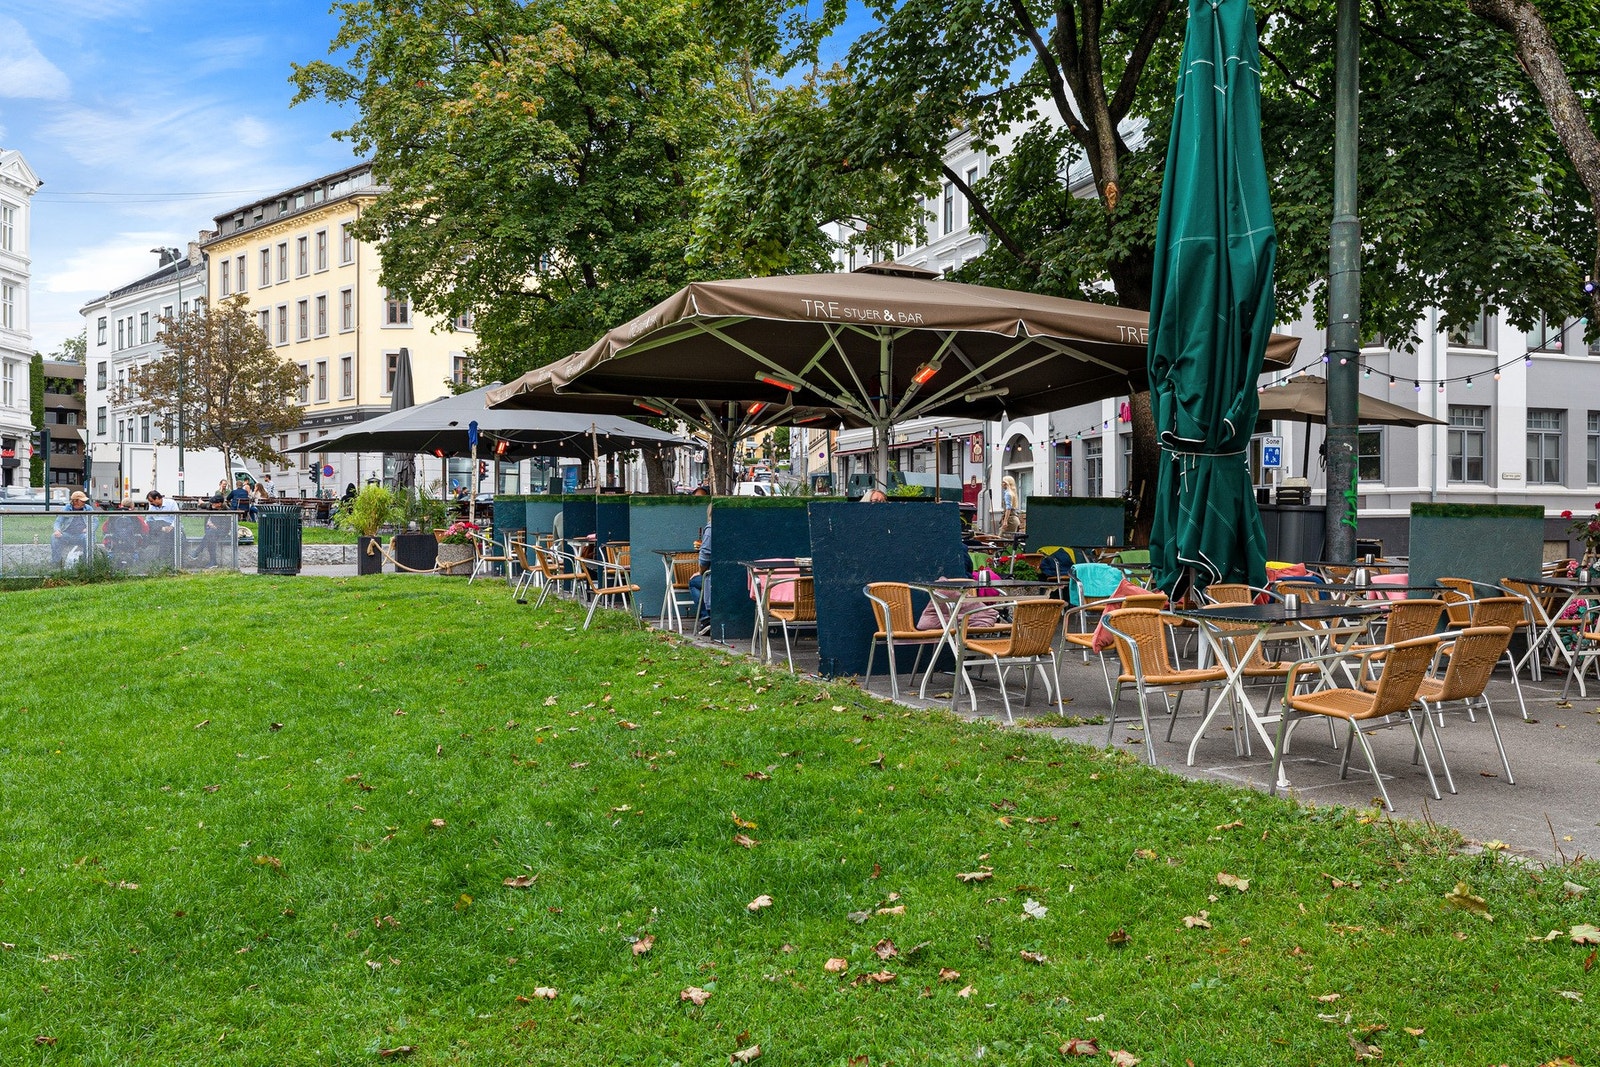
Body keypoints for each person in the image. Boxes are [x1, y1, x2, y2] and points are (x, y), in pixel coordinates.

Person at [687, 503, 713, 634]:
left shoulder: (711, 529)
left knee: (693, 582)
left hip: (714, 576)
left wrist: (701, 571)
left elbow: (705, 556)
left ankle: (706, 618)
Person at [52, 490, 95, 566]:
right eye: (82, 501)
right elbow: (58, 522)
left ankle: (87, 563)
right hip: (67, 535)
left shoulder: (88, 508)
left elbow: (95, 521)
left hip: (82, 535)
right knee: (54, 537)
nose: (84, 502)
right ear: (75, 501)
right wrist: (57, 530)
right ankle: (57, 563)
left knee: (89, 538)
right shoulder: (66, 509)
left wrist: (89, 528)